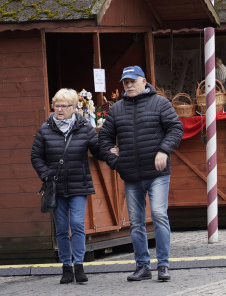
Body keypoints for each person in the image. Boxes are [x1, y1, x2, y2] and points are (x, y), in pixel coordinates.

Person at [98, 66, 183, 282]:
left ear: (143, 81)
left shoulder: (160, 103)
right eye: (125, 82)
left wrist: (164, 150)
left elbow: (175, 128)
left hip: (157, 173)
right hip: (131, 175)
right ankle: (142, 266)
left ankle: (163, 265)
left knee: (159, 215)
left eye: (132, 81)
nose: (128, 85)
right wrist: (114, 160)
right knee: (136, 222)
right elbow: (104, 140)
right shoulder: (117, 109)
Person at [31, 89, 105, 284]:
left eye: (64, 106)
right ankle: (66, 267)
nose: (60, 109)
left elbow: (97, 150)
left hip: (78, 184)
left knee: (78, 225)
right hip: (55, 186)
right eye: (57, 105)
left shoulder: (85, 127)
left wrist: (112, 152)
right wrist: (46, 175)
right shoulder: (45, 129)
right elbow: (36, 156)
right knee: (62, 228)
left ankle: (79, 265)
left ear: (74, 108)